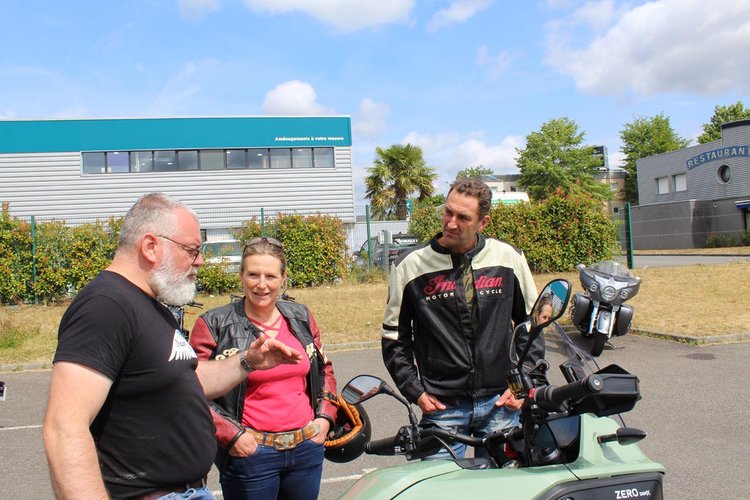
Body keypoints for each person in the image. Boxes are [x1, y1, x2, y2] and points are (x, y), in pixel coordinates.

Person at [43, 193, 302, 500]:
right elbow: (64, 428)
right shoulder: (105, 305)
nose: (200, 261)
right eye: (192, 250)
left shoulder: (148, 303)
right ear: (151, 246)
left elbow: (186, 378)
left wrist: (248, 361)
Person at [381, 177, 540, 459]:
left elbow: (531, 327)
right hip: (442, 408)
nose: (451, 223)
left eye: (463, 217)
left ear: (483, 222)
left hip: (501, 404)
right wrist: (415, 391)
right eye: (448, 212)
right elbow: (394, 337)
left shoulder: (509, 257)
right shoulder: (409, 265)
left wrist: (524, 385)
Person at [189, 236, 337, 500]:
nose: (261, 285)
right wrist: (233, 437)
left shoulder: (301, 316)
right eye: (253, 274)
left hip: (306, 448)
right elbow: (192, 391)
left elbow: (324, 370)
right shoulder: (214, 324)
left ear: (283, 278)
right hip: (251, 454)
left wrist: (324, 419)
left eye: (270, 276)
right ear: (241, 276)